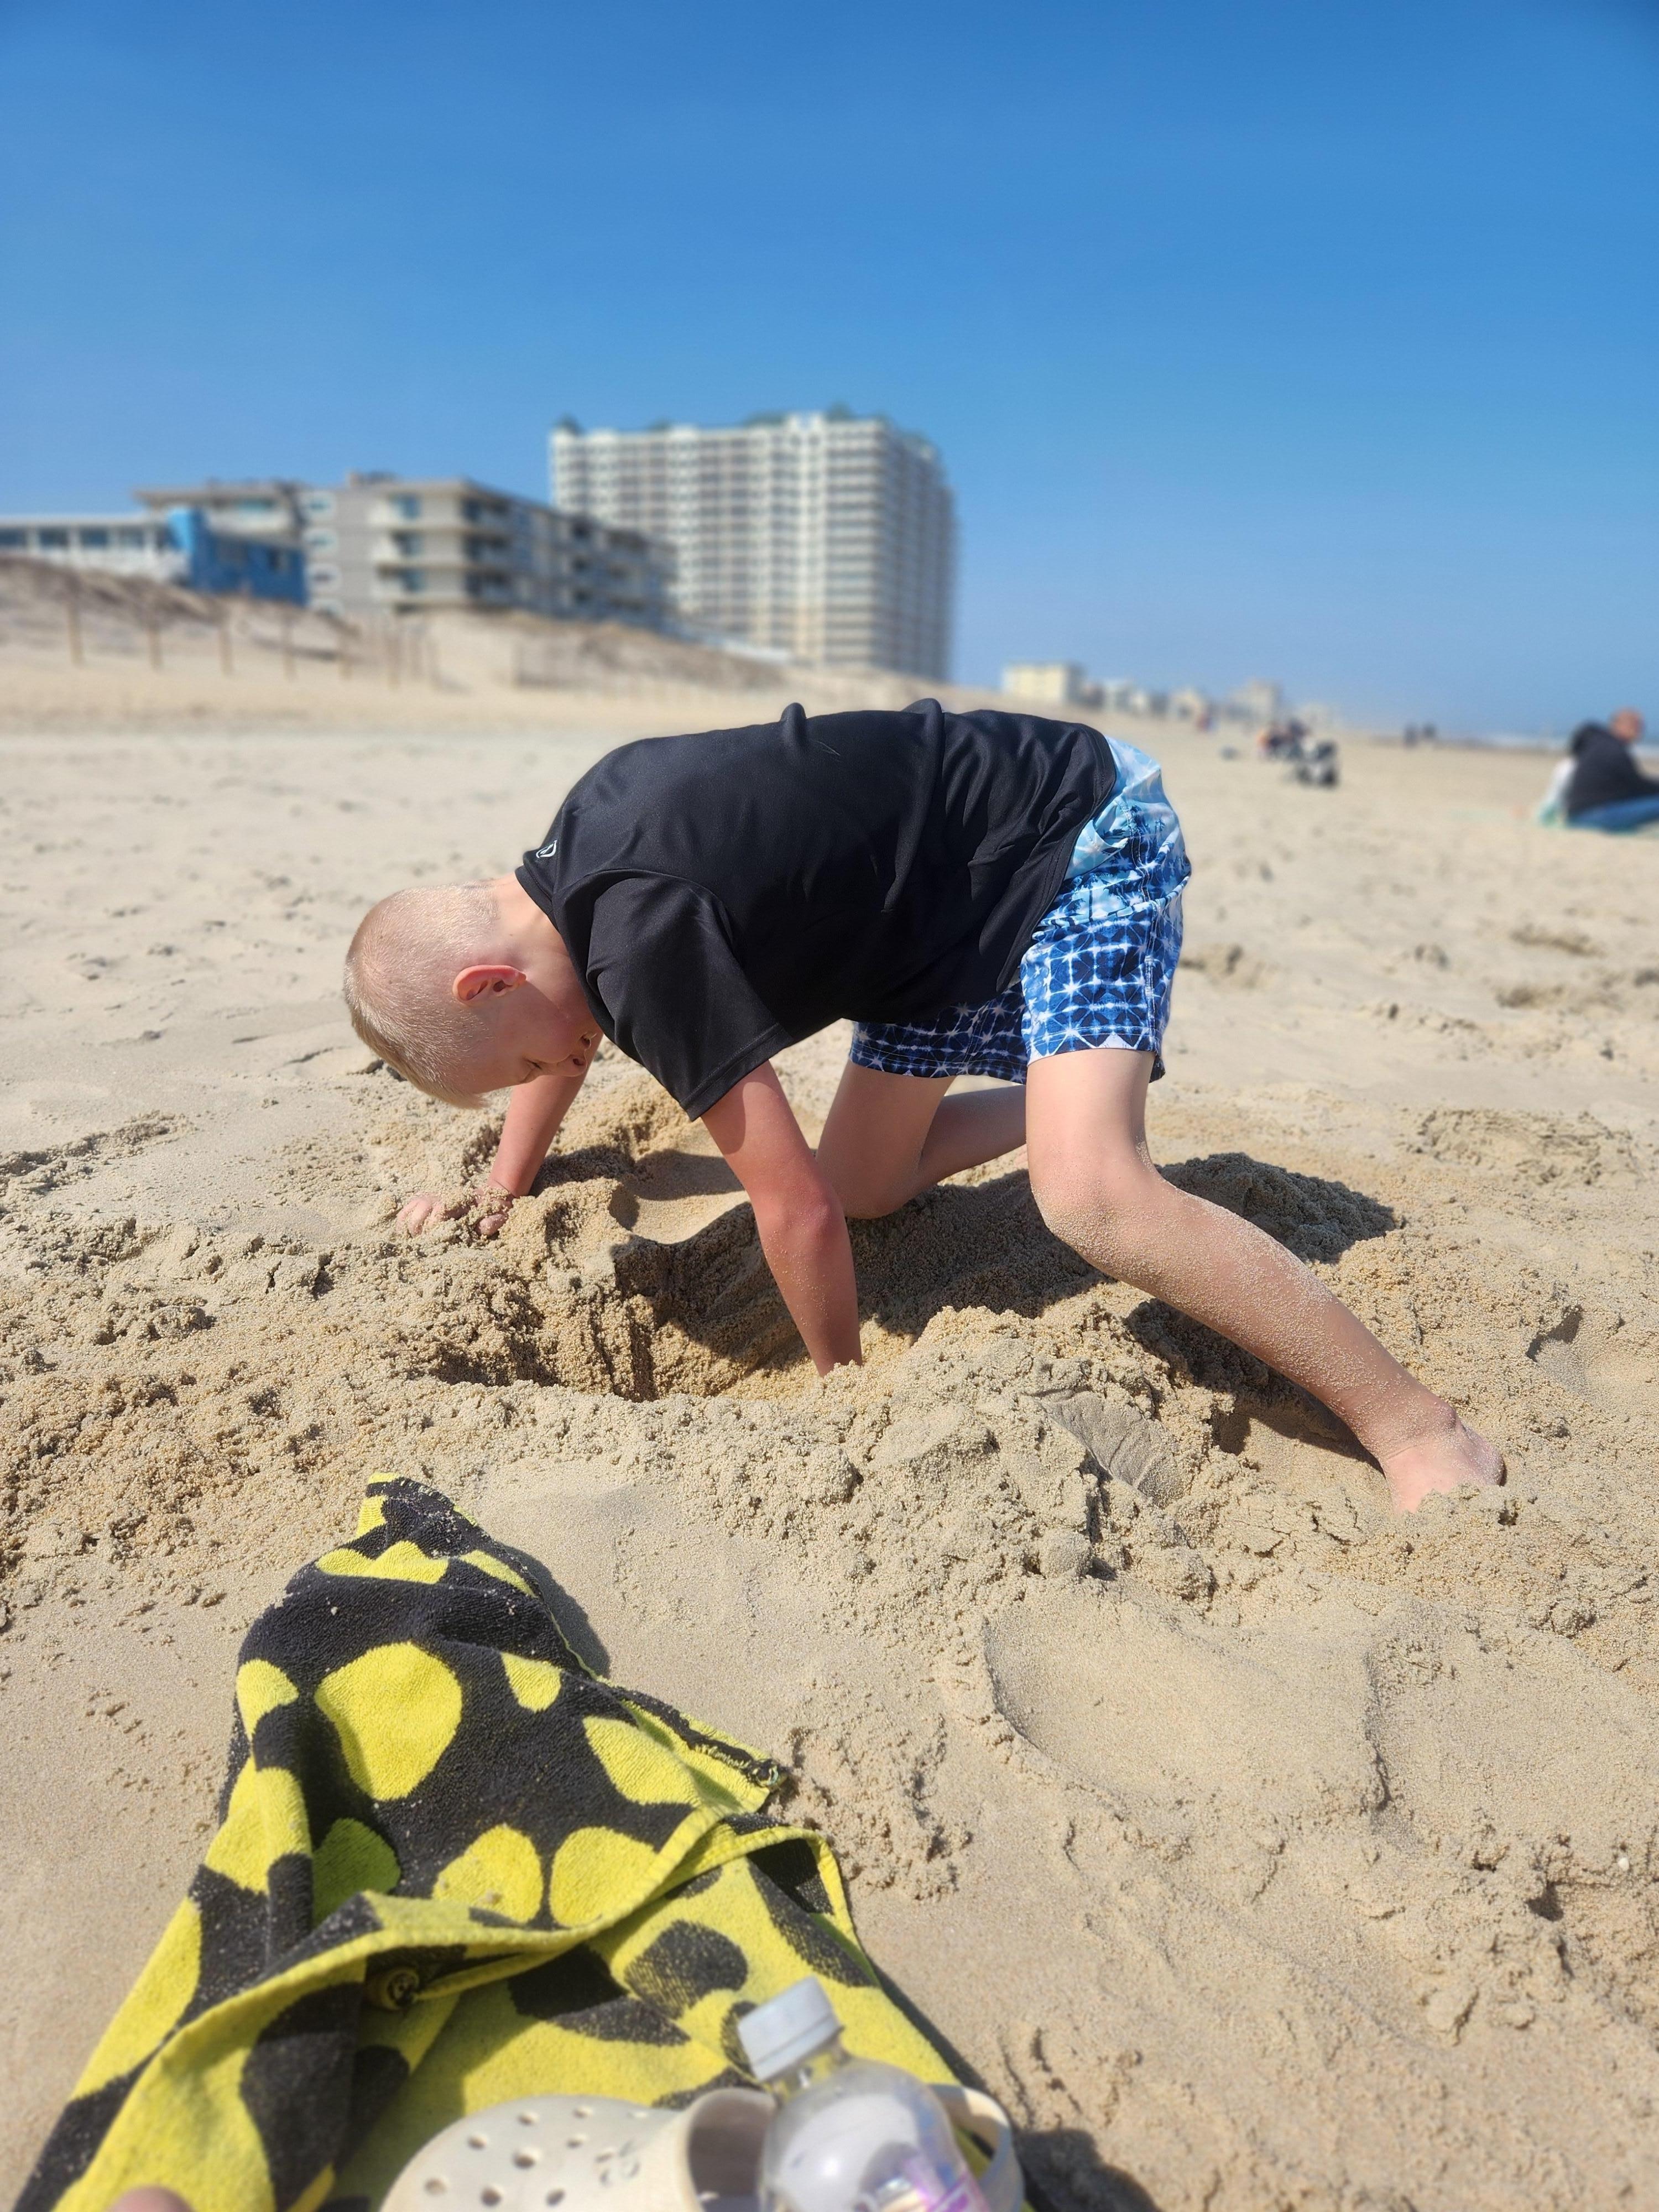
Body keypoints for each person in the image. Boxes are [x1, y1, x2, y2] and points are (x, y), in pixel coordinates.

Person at [343, 702, 1501, 1514]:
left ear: (488, 983)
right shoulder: (573, 853)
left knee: (1092, 1196)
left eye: (515, 1069)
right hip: (929, 927)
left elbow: (792, 1214)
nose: (555, 1070)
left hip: (1071, 836)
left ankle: (1414, 1426)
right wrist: (505, 1182)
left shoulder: (641, 950)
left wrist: (842, 1387)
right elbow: (559, 1053)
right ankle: (1093, 1079)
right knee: (870, 1182)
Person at [1562, 708, 1659, 832]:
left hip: (1579, 813)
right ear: (1618, 724)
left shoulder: (1597, 743)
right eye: (1635, 725)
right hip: (1592, 816)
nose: (1639, 730)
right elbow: (1638, 786)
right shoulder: (1613, 750)